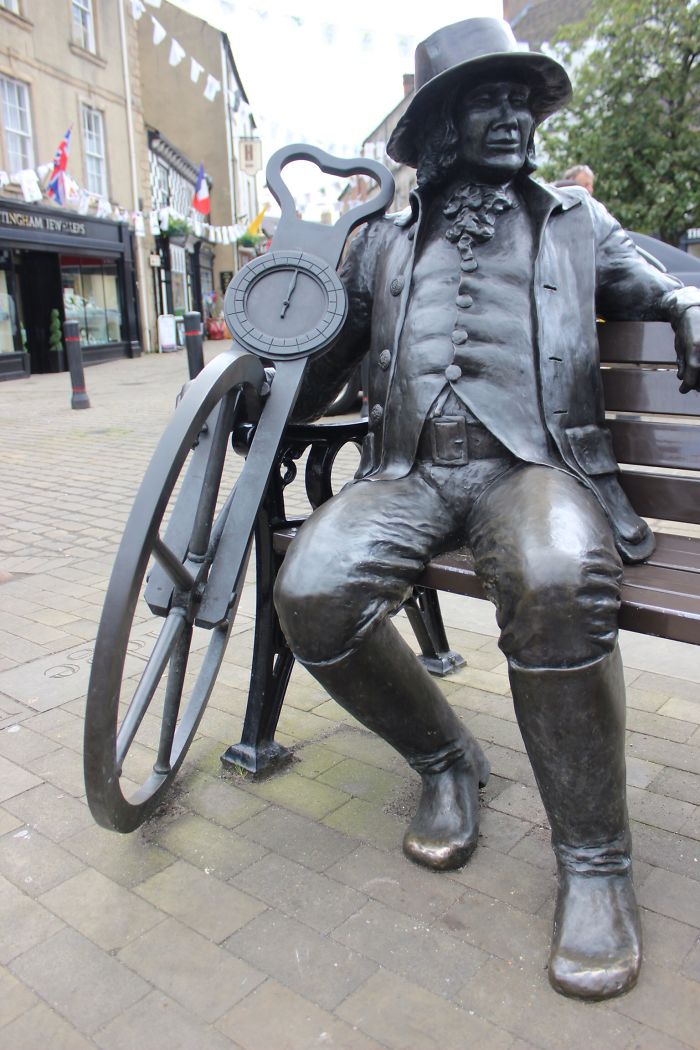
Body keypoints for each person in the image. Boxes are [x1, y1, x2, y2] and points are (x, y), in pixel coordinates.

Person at [274, 18, 700, 1000]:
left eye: (520, 99)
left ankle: (594, 862)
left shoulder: (574, 222)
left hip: (533, 470)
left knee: (555, 580)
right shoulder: (379, 240)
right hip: (408, 474)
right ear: (440, 125)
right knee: (313, 591)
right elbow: (327, 359)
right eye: (485, 100)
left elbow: (656, 284)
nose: (511, 116)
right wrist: (269, 395)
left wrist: (686, 307)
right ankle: (446, 759)